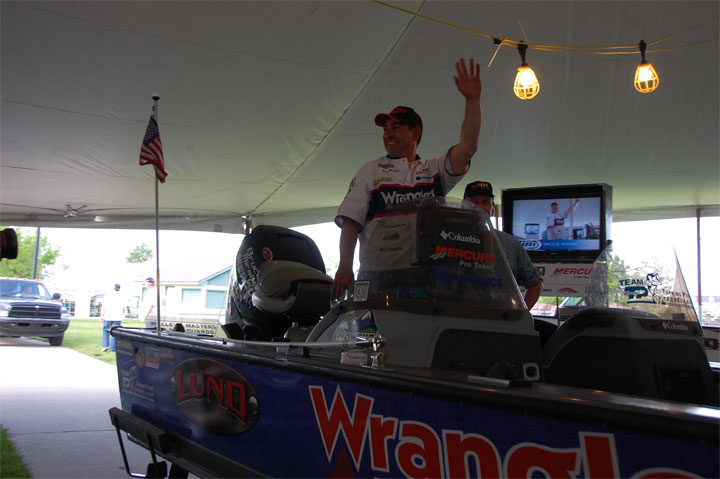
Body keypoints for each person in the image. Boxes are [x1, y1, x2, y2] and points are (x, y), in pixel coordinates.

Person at [332, 58, 483, 298]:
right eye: (385, 129)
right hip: (377, 276)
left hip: (426, 277)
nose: (388, 134)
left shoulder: (433, 169)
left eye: (396, 127)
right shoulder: (369, 171)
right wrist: (344, 267)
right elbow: (350, 223)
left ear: (416, 132)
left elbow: (468, 147)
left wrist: (472, 101)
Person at [463, 181, 543, 309]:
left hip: (500, 317)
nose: (479, 207)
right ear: (463, 207)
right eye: (473, 201)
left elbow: (535, 283)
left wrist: (521, 314)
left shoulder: (511, 243)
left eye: (485, 202)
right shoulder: (447, 239)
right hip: (457, 316)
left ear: (492, 210)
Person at [100, 283, 125, 352]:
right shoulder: (122, 296)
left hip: (108, 316)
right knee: (115, 332)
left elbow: (103, 307)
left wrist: (102, 315)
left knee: (106, 330)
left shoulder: (108, 295)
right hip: (118, 317)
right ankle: (112, 348)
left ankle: (105, 346)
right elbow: (123, 309)